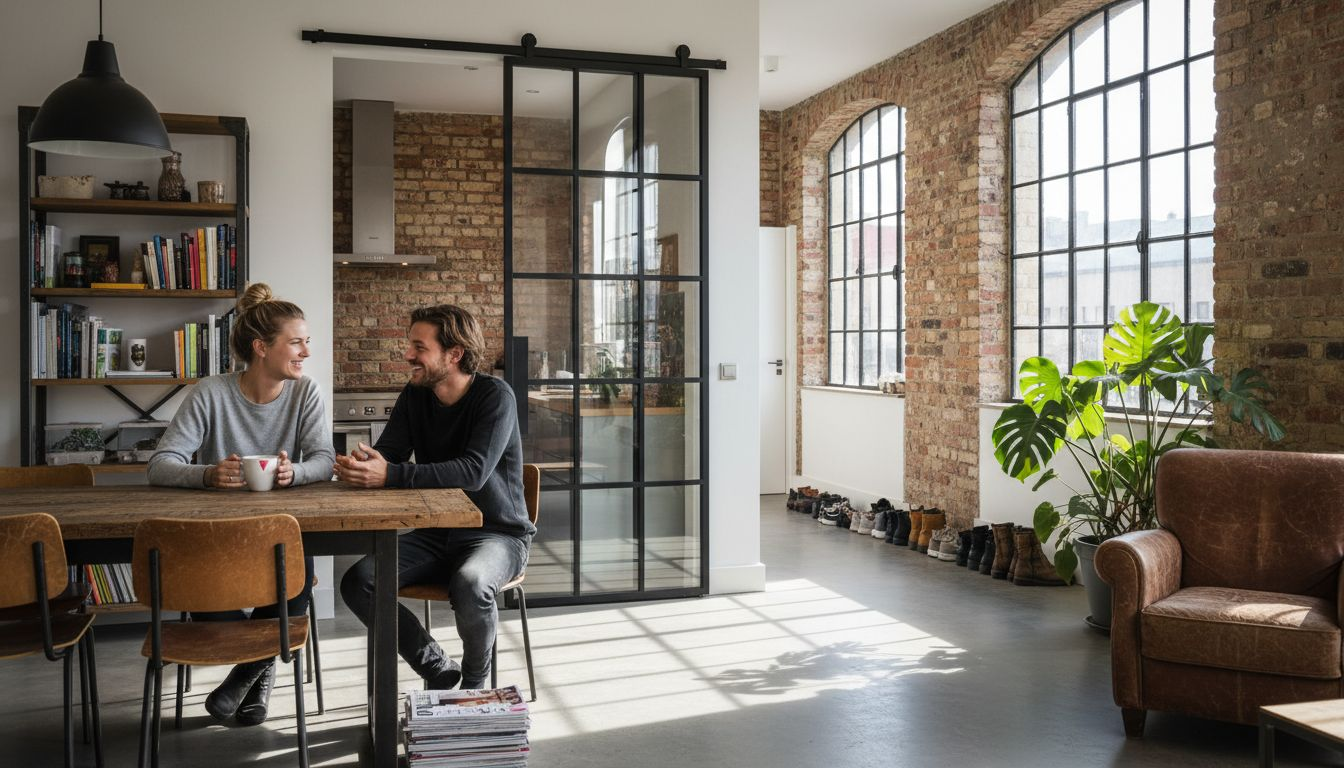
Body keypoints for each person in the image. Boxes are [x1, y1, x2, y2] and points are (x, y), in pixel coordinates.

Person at [147, 282, 334, 725]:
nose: (306, 351)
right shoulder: (211, 392)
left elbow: (324, 461)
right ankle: (260, 672)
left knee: (297, 574)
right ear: (261, 347)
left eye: (307, 341)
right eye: (297, 341)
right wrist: (208, 475)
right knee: (250, 603)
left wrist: (296, 473)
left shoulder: (306, 392)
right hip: (213, 545)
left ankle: (248, 676)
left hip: (277, 539)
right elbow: (160, 465)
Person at [337, 304, 533, 691]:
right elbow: (390, 452)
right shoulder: (416, 395)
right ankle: (436, 667)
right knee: (358, 581)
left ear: (454, 354)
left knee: (471, 582)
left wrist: (390, 474)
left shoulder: (495, 397)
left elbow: (473, 472)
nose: (408, 355)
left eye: (418, 347)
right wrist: (363, 464)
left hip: (497, 534)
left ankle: (475, 687)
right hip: (437, 534)